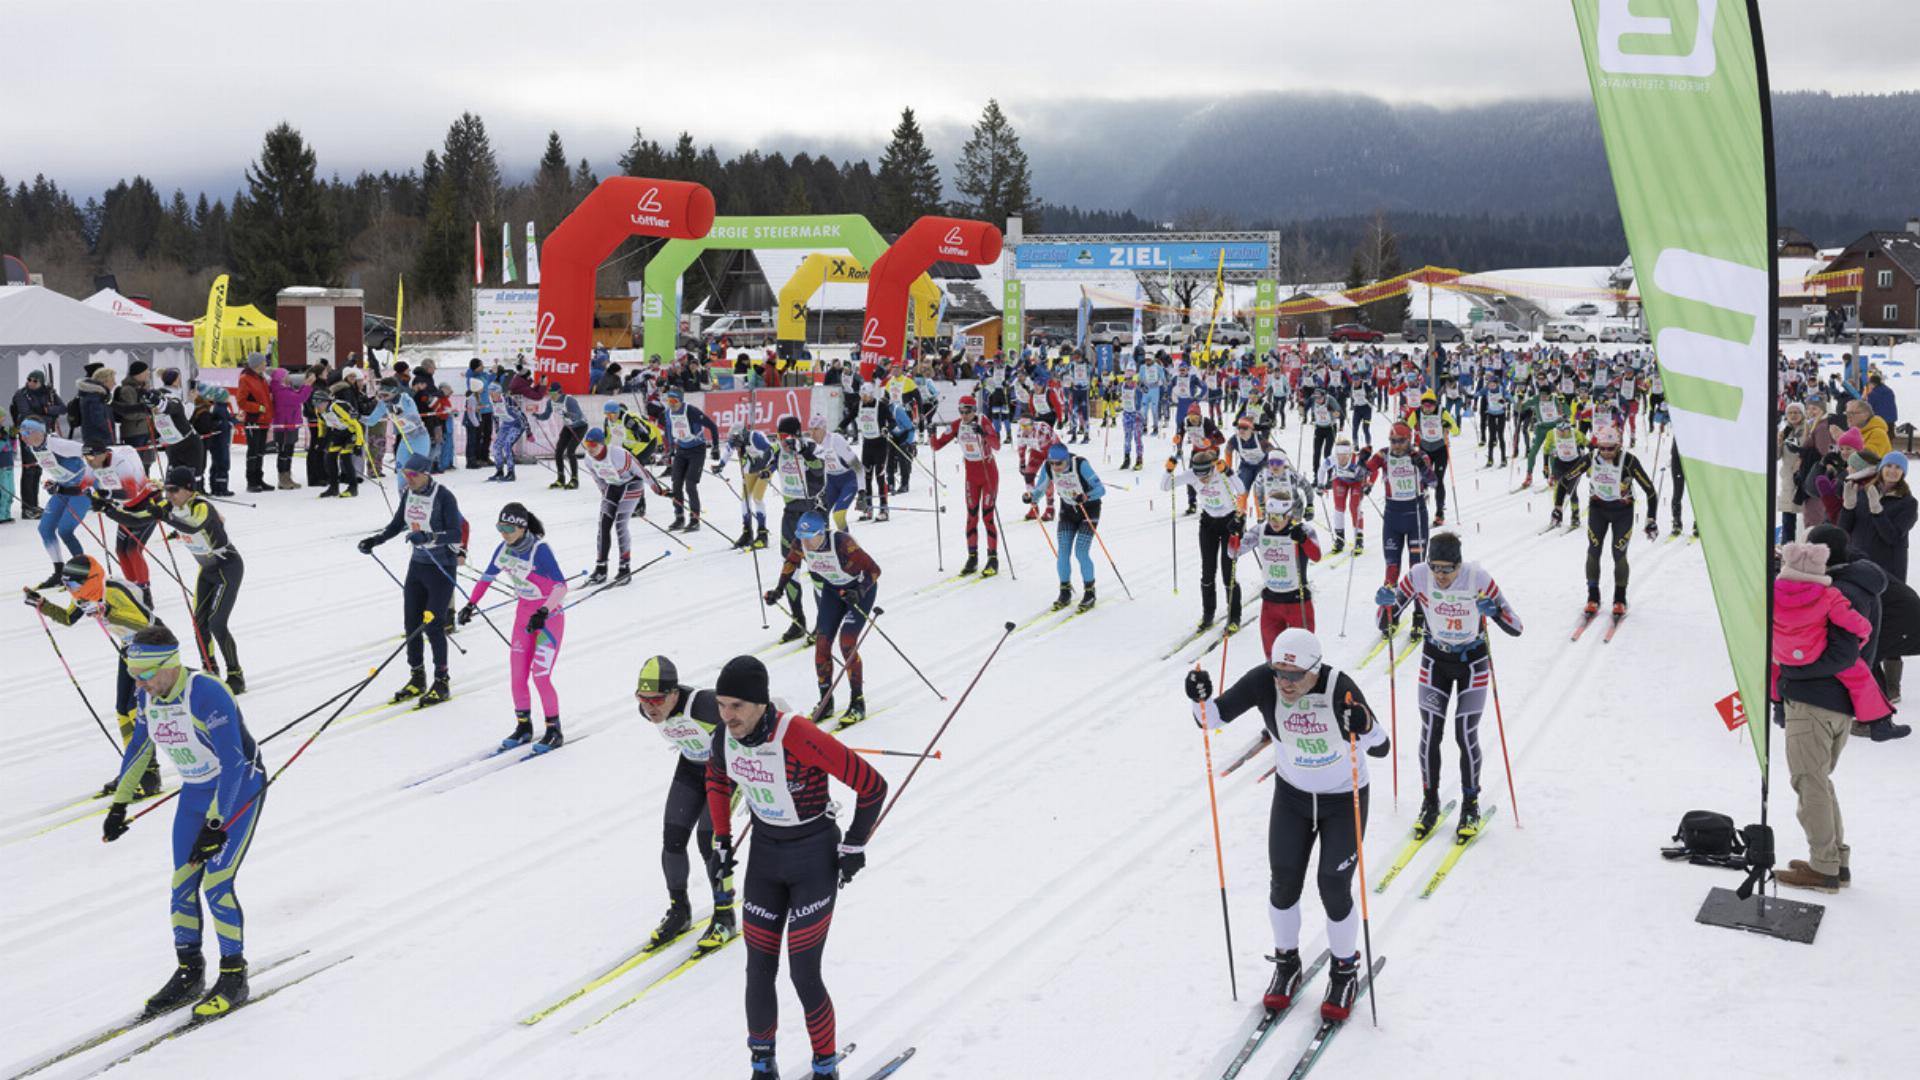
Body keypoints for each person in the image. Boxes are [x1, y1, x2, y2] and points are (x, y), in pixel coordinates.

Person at [1183, 627, 1389, 1021]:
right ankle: (1286, 963)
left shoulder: (1339, 687)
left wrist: (1363, 725)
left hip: (1343, 799)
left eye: (1294, 675)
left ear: (1315, 669)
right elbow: (1211, 718)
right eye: (1279, 672)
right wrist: (1199, 697)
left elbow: (1381, 747)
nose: (1285, 683)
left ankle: (1344, 970)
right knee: (1283, 882)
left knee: (1333, 885)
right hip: (1293, 797)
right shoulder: (1265, 681)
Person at [703, 655, 889, 1080]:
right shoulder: (724, 736)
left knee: (803, 972)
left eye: (736, 706)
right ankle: (762, 1066)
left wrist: (854, 845)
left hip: (812, 858)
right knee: (758, 969)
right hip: (765, 859)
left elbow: (872, 786)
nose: (727, 716)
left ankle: (825, 1068)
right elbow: (716, 778)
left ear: (760, 703)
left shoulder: (798, 734)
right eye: (721, 705)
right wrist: (722, 840)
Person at [99, 625, 267, 1018]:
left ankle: (234, 976)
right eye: (133, 675)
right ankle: (190, 971)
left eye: (144, 675)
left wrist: (216, 824)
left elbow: (233, 764)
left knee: (216, 884)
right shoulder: (150, 696)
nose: (139, 685)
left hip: (237, 788)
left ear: (168, 665)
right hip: (195, 792)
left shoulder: (207, 693)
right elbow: (139, 748)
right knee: (181, 884)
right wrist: (119, 805)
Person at [1375, 531, 1523, 840]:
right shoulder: (1418, 576)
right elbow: (1385, 621)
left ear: (1459, 564)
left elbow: (1516, 626)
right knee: (1431, 732)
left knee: (1464, 733)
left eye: (1448, 569)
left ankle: (1470, 805)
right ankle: (1430, 803)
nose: (1440, 576)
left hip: (1473, 662)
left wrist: (1495, 613)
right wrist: (1385, 604)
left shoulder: (1477, 578)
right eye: (1435, 568)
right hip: (1435, 661)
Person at [25, 554, 167, 795]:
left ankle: (149, 774)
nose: (70, 590)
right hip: (130, 648)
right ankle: (135, 768)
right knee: (122, 710)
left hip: (154, 645)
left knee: (136, 710)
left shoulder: (113, 591)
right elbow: (69, 618)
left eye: (72, 584)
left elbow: (146, 625)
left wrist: (107, 610)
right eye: (66, 584)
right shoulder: (84, 595)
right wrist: (42, 604)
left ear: (90, 579)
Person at [97, 466, 247, 691]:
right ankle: (210, 670)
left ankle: (235, 674)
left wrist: (165, 517)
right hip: (207, 570)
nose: (169, 495)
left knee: (216, 623)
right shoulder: (169, 507)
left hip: (228, 567)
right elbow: (136, 520)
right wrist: (107, 509)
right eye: (166, 490)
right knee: (199, 624)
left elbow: (193, 527)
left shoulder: (201, 506)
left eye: (174, 490)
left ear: (189, 489)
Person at [635, 656, 739, 953]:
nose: (649, 707)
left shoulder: (703, 704)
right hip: (692, 768)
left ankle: (725, 916)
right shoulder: (648, 711)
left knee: (709, 840)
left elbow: (753, 712)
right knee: (673, 839)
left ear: (674, 693)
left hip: (727, 773)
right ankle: (679, 910)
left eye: (656, 700)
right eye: (642, 699)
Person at [357, 454, 467, 706]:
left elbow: (455, 532)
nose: (409, 479)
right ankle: (417, 677)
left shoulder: (444, 496)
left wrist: (429, 537)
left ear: (426, 473)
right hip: (417, 566)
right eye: (406, 474)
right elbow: (397, 524)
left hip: (441, 567)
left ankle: (442, 681)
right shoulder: (409, 493)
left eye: (413, 474)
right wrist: (375, 540)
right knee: (411, 624)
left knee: (433, 625)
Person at [462, 503, 569, 752]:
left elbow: (561, 586)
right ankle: (524, 727)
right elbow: (487, 578)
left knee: (540, 676)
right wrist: (470, 604)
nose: (504, 533)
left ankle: (554, 730)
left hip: (548, 619)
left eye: (509, 529)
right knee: (517, 675)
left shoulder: (540, 550)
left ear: (522, 528)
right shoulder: (503, 549)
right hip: (523, 616)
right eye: (500, 527)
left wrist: (544, 611)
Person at [1774, 541, 1897, 732]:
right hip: (1815, 653)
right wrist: (1865, 630)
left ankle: (1778, 706)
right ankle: (1878, 722)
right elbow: (1848, 619)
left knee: (1773, 669)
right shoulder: (1828, 595)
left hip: (1782, 655)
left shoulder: (1772, 594)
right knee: (1859, 675)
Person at [1163, 442, 1248, 633]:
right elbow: (1165, 486)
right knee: (1207, 572)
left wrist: (1229, 472)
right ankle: (1208, 614)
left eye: (1206, 475)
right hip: (1208, 523)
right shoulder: (1193, 474)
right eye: (1199, 476)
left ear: (1212, 468)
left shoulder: (1220, 472)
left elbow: (1241, 489)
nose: (1203, 480)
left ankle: (1234, 617)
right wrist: (1169, 470)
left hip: (1230, 523)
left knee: (1228, 572)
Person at [1575, 426, 1659, 618]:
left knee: (1619, 553)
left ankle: (1620, 599)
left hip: (1623, 512)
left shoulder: (1629, 461)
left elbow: (1650, 491)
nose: (1606, 452)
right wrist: (1557, 506)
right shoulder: (1590, 459)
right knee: (1594, 550)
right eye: (1602, 448)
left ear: (1619, 446)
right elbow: (1567, 480)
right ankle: (1592, 597)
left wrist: (1651, 519)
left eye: (1610, 448)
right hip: (1598, 510)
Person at [1365, 422, 1436, 635]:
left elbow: (1433, 482)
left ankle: (1419, 615)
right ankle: (1390, 614)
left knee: (1417, 570)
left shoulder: (1420, 455)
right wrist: (1361, 462)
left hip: (1416, 516)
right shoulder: (1383, 455)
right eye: (1392, 441)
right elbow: (1363, 471)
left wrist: (1421, 467)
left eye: (1400, 441)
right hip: (1393, 517)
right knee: (1391, 569)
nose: (1395, 445)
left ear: (1409, 440)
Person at [1234, 490, 1323, 656]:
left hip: (1297, 601)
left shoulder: (1303, 529)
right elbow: (1233, 552)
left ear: (1289, 515)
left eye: (1279, 517)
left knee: (1303, 655)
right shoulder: (1260, 530)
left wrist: (1304, 540)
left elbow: (1316, 556)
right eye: (1270, 516)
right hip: (1271, 603)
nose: (1274, 521)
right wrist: (1234, 533)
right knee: (1272, 657)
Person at [928, 394, 1002, 577]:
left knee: (987, 517)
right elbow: (936, 446)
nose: (964, 415)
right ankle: (972, 557)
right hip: (971, 475)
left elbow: (997, 445)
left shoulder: (983, 422)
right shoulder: (956, 425)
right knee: (971, 517)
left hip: (988, 473)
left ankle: (993, 559)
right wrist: (931, 433)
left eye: (967, 411)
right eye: (961, 411)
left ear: (974, 410)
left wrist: (983, 434)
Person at [1028, 443, 1106, 612]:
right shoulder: (1048, 467)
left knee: (1081, 552)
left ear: (1067, 460)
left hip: (1088, 510)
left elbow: (1101, 489)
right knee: (1063, 552)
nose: (1055, 467)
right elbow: (1040, 488)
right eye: (1052, 463)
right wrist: (1031, 497)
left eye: (1059, 463)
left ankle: (1090, 592)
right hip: (1068, 511)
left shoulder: (1080, 464)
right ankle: (1065, 591)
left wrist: (1086, 496)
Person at [83, 440, 160, 606]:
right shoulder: (93, 463)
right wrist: (59, 488)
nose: (89, 461)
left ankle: (145, 593)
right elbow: (84, 485)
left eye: (91, 457)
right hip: (127, 508)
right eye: (85, 457)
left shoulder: (120, 463)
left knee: (133, 549)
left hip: (146, 504)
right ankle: (133, 590)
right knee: (120, 551)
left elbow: (131, 492)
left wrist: (106, 495)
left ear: (103, 454)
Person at [16, 419, 89, 588]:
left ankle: (83, 573)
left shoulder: (57, 444)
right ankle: (59, 572)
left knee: (65, 530)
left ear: (38, 432)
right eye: (21, 434)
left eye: (26, 434)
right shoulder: (34, 448)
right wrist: (54, 483)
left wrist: (97, 480)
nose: (23, 438)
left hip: (81, 491)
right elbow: (56, 467)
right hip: (63, 490)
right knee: (45, 529)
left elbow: (91, 452)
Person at [581, 427, 649, 585]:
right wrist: (606, 496)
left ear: (602, 444)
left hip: (632, 484)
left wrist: (660, 490)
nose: (590, 449)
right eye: (587, 445)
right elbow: (598, 480)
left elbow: (641, 471)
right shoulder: (588, 459)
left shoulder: (618, 454)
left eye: (593, 445)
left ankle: (625, 569)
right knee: (603, 525)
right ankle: (601, 569)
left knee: (620, 524)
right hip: (612, 487)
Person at [1839, 450, 1915, 584]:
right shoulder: (1863, 493)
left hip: (1888, 569)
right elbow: (1844, 530)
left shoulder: (1908, 503)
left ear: (1903, 472)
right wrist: (1848, 508)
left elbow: (1893, 538)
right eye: (1888, 466)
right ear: (1881, 468)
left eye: (1898, 467)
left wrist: (1878, 512)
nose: (1892, 470)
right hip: (1859, 563)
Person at [656, 387, 721, 532]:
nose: (671, 404)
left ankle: (694, 520)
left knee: (690, 485)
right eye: (669, 400)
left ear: (680, 401)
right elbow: (668, 429)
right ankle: (679, 518)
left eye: (674, 401)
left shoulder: (691, 411)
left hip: (697, 450)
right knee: (676, 484)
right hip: (681, 450)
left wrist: (716, 447)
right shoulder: (668, 413)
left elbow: (712, 426)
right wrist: (670, 448)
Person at [1406, 390, 1461, 526]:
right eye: (1425, 405)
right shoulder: (1417, 413)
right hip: (1425, 449)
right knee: (1422, 479)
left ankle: (1439, 512)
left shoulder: (1442, 413)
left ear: (1435, 404)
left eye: (1430, 405)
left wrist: (1449, 426)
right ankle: (1420, 509)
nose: (1427, 408)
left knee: (1438, 480)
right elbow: (1407, 427)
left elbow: (1456, 431)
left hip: (1440, 449)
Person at [808, 413, 861, 532]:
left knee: (838, 514)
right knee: (820, 514)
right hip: (831, 482)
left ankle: (846, 541)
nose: (812, 433)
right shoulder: (812, 446)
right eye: (810, 430)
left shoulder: (836, 440)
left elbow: (858, 466)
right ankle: (824, 540)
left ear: (823, 429)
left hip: (848, 481)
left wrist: (862, 492)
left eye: (816, 429)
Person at [1317, 436, 1368, 556]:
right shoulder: (1333, 459)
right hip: (1340, 481)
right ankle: (1340, 539)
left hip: (1356, 483)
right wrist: (1320, 484)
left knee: (1354, 507)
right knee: (1339, 508)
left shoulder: (1357, 460)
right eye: (1339, 455)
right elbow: (1322, 469)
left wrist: (1368, 483)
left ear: (1350, 454)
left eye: (1344, 455)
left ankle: (1359, 540)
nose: (1341, 458)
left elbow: (1372, 470)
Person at [728, 427, 777, 551]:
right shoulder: (736, 438)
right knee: (745, 498)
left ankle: (762, 535)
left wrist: (767, 469)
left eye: (738, 445)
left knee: (757, 498)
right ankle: (747, 533)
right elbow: (728, 450)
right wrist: (720, 465)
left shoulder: (756, 437)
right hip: (753, 466)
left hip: (766, 466)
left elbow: (771, 453)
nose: (737, 448)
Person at [535, 381, 588, 489]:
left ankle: (574, 480)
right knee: (558, 451)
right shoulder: (550, 402)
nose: (551, 396)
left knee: (570, 451)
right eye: (549, 393)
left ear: (559, 392)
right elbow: (546, 415)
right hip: (568, 427)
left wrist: (567, 414)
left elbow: (578, 416)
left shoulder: (569, 400)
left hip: (580, 426)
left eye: (553, 394)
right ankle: (561, 479)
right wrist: (537, 416)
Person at [236, 354, 274, 493]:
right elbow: (241, 402)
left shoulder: (261, 378)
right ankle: (251, 481)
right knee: (253, 451)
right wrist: (258, 408)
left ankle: (259, 479)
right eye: (264, 362)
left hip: (264, 420)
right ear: (257, 364)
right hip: (253, 420)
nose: (265, 364)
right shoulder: (245, 379)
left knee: (260, 451)